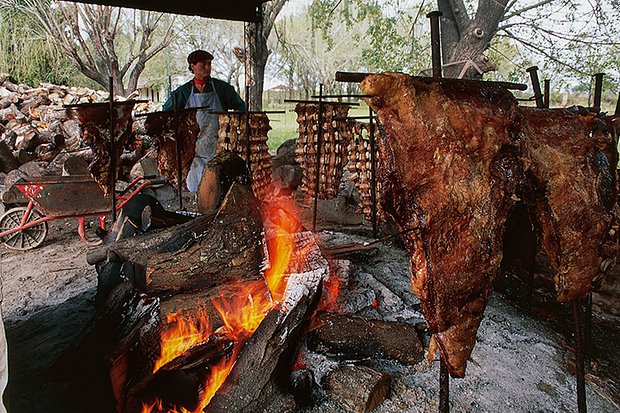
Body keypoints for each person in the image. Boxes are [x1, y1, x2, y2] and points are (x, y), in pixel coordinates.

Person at [163, 50, 247, 192]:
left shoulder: (222, 89)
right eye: (203, 64)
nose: (208, 68)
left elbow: (241, 108)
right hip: (195, 149)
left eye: (209, 64)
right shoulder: (182, 92)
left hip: (219, 145)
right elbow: (166, 113)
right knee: (198, 187)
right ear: (193, 66)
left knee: (220, 186)